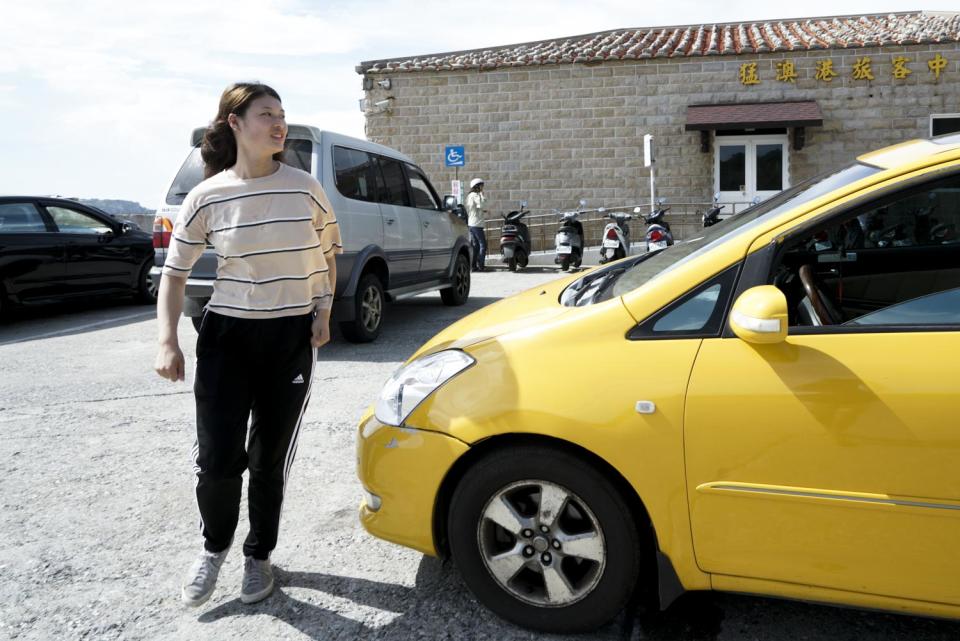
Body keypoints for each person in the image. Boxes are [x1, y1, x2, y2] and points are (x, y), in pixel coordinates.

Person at [154, 82, 341, 607]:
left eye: (282, 114)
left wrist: (323, 310)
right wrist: (167, 339)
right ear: (235, 123)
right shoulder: (206, 196)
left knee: (269, 457)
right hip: (227, 337)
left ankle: (258, 556)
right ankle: (213, 548)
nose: (278, 123)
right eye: (266, 114)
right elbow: (174, 274)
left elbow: (328, 253)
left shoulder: (305, 187)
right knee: (217, 459)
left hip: (289, 336)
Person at [465, 178, 488, 271]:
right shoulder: (475, 195)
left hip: (472, 224)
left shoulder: (469, 196)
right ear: (477, 186)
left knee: (476, 245)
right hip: (477, 224)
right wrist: (482, 196)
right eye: (481, 185)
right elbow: (481, 205)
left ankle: (473, 266)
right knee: (483, 244)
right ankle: (481, 265)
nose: (483, 187)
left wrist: (483, 210)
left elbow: (477, 208)